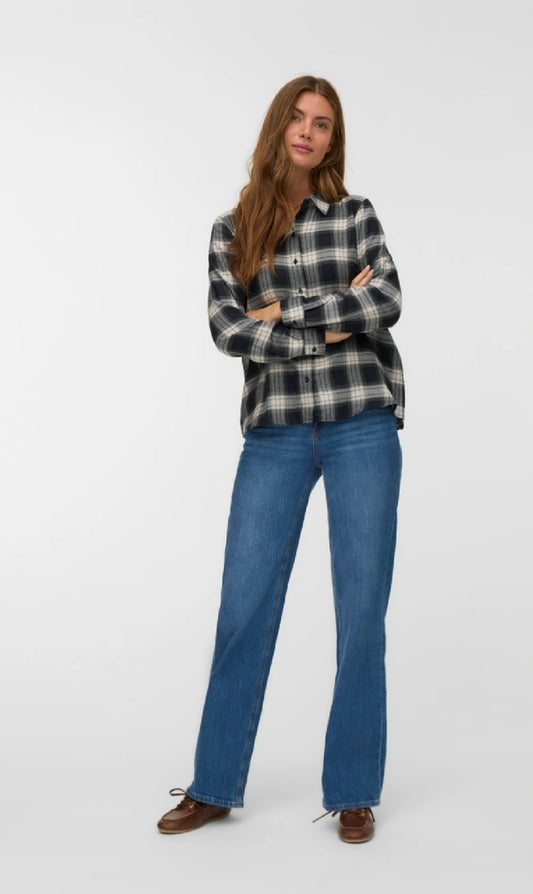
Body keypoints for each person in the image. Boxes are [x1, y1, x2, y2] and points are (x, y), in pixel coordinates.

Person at [157, 75, 404, 843]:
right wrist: (329, 324)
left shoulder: (355, 217)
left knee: (360, 612)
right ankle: (213, 784)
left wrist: (284, 311)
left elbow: (385, 301)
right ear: (277, 127)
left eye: (322, 123)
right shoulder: (231, 230)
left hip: (361, 420)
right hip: (276, 429)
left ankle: (354, 790)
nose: (307, 131)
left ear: (331, 141)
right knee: (244, 605)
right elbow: (228, 329)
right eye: (297, 118)